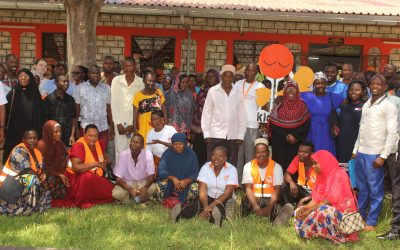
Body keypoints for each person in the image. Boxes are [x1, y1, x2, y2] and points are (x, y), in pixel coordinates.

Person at [353, 74, 399, 231]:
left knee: (375, 190)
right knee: (362, 188)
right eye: (372, 83)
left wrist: (383, 156)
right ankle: (360, 216)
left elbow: (393, 133)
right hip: (361, 153)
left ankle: (371, 222)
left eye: (379, 84)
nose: (375, 86)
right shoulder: (367, 104)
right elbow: (361, 128)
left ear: (385, 87)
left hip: (375, 155)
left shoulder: (389, 106)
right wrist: (355, 150)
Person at [294, 150, 359, 243]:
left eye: (315, 163)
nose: (313, 166)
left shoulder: (339, 174)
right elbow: (315, 200)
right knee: (299, 210)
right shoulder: (321, 176)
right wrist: (305, 207)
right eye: (313, 163)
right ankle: (316, 231)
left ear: (324, 162)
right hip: (325, 211)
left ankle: (338, 235)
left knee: (324, 210)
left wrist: (310, 210)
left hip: (344, 216)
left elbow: (330, 200)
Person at [170, 145, 237, 227]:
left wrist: (210, 207)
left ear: (225, 158)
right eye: (213, 155)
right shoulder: (206, 167)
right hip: (208, 197)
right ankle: (179, 215)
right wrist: (206, 207)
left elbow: (227, 193)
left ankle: (216, 219)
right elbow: (202, 189)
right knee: (195, 206)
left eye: (220, 156)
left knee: (219, 209)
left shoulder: (232, 169)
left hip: (224, 198)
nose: (216, 158)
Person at [52, 124, 114, 208]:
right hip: (77, 181)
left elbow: (103, 154)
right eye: (90, 136)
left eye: (96, 136)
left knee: (113, 192)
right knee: (87, 177)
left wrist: (106, 160)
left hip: (96, 177)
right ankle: (84, 199)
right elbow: (76, 168)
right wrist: (96, 164)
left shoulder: (98, 142)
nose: (93, 138)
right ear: (84, 134)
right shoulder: (79, 146)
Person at [241, 138, 293, 225]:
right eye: (258, 152)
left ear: (268, 153)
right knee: (245, 205)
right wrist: (255, 206)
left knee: (277, 209)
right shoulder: (248, 166)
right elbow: (248, 188)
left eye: (263, 152)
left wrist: (269, 208)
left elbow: (277, 190)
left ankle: (277, 220)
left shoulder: (276, 167)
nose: (261, 154)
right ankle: (246, 214)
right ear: (254, 154)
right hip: (255, 199)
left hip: (270, 200)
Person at [202, 65, 246, 166]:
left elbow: (242, 114)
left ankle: (229, 182)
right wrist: (207, 133)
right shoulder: (213, 91)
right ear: (221, 76)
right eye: (225, 75)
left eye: (230, 76)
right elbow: (206, 113)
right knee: (213, 163)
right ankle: (212, 182)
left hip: (233, 135)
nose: (228, 78)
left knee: (230, 164)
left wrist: (241, 134)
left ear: (233, 78)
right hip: (215, 134)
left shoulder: (238, 92)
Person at [0, 130, 51, 215]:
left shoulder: (37, 152)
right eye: (30, 138)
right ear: (23, 140)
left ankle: (39, 207)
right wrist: (41, 180)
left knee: (45, 180)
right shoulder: (19, 150)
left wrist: (44, 174)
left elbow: (42, 168)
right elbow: (27, 171)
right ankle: (28, 209)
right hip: (10, 183)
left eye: (35, 138)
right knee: (33, 179)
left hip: (21, 180)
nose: (33, 141)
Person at [3, 69, 46, 163]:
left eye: (25, 76)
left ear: (30, 78)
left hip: (31, 132)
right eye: (20, 76)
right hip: (15, 131)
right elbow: (5, 111)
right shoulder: (13, 93)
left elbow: (41, 115)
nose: (22, 78)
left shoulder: (35, 94)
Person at [269, 81, 311, 171]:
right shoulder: (279, 105)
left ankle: (293, 183)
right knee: (279, 167)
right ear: (284, 91)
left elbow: (306, 125)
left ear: (297, 91)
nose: (291, 91)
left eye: (293, 89)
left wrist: (295, 136)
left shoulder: (303, 106)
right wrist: (286, 136)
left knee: (294, 166)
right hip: (280, 142)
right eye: (288, 89)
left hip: (295, 143)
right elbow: (273, 123)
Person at [234, 63, 266, 182]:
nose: (249, 73)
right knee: (237, 157)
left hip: (252, 125)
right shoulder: (237, 84)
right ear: (244, 71)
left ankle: (248, 183)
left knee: (250, 157)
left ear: (256, 73)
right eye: (248, 70)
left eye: (252, 71)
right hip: (237, 126)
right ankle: (237, 185)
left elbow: (264, 107)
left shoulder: (260, 86)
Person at [301, 72, 343, 155]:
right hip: (311, 131)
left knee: (326, 155)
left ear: (326, 84)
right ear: (313, 85)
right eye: (317, 83)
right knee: (311, 155)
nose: (320, 86)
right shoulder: (307, 95)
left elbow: (348, 102)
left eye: (323, 83)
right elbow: (291, 94)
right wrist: (279, 97)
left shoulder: (333, 96)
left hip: (327, 132)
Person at [74, 65, 113, 152]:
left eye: (97, 73)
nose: (95, 75)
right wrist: (76, 128)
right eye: (93, 73)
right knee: (86, 153)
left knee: (101, 153)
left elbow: (109, 109)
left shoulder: (106, 88)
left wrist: (112, 127)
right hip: (85, 128)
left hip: (102, 128)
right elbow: (76, 110)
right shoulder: (80, 88)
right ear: (88, 74)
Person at [111, 57, 143, 160]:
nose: (128, 68)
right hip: (119, 123)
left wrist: (134, 125)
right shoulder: (116, 81)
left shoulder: (141, 82)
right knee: (120, 151)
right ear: (123, 67)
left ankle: (132, 174)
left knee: (134, 150)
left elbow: (141, 106)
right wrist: (118, 123)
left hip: (133, 123)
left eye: (131, 66)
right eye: (126, 66)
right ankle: (120, 175)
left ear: (135, 67)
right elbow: (113, 103)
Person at [156, 133, 199, 205]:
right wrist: (173, 178)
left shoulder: (191, 155)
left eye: (180, 144)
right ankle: (167, 200)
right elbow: (161, 170)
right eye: (175, 144)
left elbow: (195, 172)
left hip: (186, 183)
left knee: (195, 188)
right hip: (170, 182)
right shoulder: (167, 154)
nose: (178, 146)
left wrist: (186, 181)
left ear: (185, 144)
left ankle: (186, 203)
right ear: (172, 144)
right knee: (159, 185)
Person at [112, 134, 156, 204]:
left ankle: (132, 200)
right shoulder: (123, 154)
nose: (134, 144)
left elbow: (151, 175)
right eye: (132, 142)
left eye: (137, 142)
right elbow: (118, 178)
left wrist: (145, 188)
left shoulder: (148, 154)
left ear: (142, 146)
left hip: (142, 183)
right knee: (116, 194)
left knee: (153, 188)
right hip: (128, 183)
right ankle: (139, 199)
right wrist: (131, 189)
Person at [191, 69, 220, 167]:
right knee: (199, 155)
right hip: (200, 129)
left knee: (213, 155)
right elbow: (196, 111)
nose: (210, 78)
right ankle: (199, 178)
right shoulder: (202, 91)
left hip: (215, 130)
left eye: (212, 76)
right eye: (208, 76)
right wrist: (193, 130)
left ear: (217, 77)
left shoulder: (221, 92)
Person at [37, 120, 69, 199]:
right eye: (56, 132)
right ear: (49, 132)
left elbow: (66, 156)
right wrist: (59, 174)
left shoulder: (60, 144)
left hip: (59, 172)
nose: (59, 134)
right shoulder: (41, 145)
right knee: (52, 183)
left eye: (60, 131)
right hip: (45, 174)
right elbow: (41, 166)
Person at [43, 73, 77, 147]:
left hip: (67, 138)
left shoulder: (70, 99)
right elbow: (45, 121)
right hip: (53, 137)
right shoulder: (48, 100)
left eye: (68, 81)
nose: (66, 83)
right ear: (56, 83)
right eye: (64, 81)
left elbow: (73, 118)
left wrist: (72, 135)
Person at [133, 71, 166, 143]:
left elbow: (164, 111)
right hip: (144, 129)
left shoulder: (158, 93)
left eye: (153, 81)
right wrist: (135, 131)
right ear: (144, 81)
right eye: (149, 81)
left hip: (157, 128)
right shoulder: (138, 95)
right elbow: (135, 116)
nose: (151, 83)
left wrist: (165, 127)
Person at [336, 80, 366, 163]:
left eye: (357, 90)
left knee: (354, 170)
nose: (353, 92)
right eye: (351, 89)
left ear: (363, 92)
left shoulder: (365, 106)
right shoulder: (343, 105)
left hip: (357, 144)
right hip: (342, 142)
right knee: (343, 168)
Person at [282, 141, 315, 206]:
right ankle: (289, 207)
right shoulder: (297, 158)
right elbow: (286, 174)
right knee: (284, 185)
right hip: (302, 191)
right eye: (299, 151)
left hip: (314, 195)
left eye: (304, 152)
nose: (301, 154)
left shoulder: (318, 163)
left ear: (312, 154)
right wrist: (291, 182)